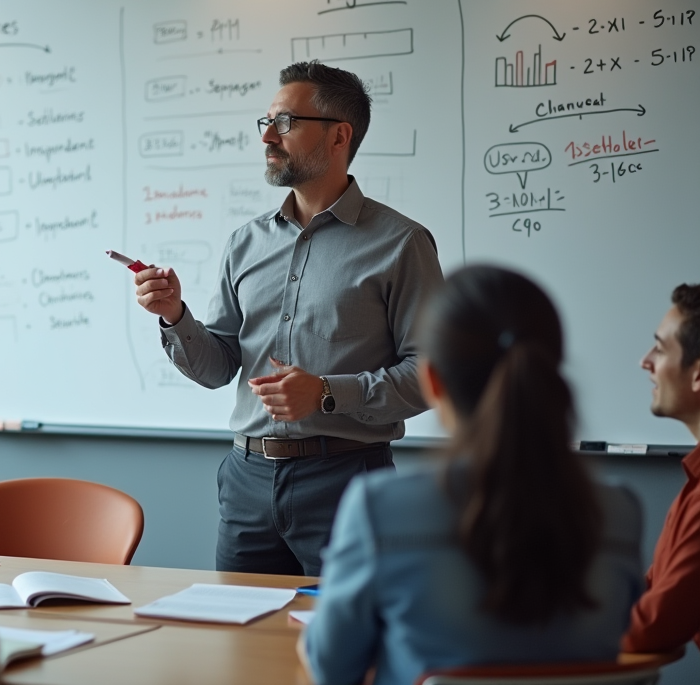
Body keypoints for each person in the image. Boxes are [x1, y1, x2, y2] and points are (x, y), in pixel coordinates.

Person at [133, 61, 443, 574]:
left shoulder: (402, 243)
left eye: (286, 123)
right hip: (246, 479)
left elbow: (434, 375)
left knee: (346, 647)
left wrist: (325, 391)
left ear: (339, 135)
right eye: (266, 123)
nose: (267, 138)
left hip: (348, 481)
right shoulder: (245, 243)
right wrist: (175, 317)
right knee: (238, 643)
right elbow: (217, 369)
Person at [300, 265, 644, 685]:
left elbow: (332, 670)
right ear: (549, 368)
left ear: (432, 381)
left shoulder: (381, 509)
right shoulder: (620, 512)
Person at [623, 284, 700, 653]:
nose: (645, 361)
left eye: (661, 347)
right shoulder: (693, 484)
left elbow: (652, 625)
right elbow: (653, 588)